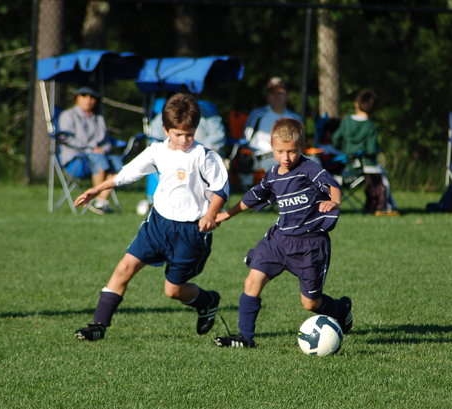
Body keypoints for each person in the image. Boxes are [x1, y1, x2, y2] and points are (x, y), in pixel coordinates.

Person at [72, 93, 229, 341]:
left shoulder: (205, 156)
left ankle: (207, 301)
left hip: (190, 231)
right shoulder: (157, 151)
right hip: (157, 224)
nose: (184, 140)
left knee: (173, 290)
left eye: (189, 134)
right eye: (178, 134)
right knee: (124, 267)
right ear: (166, 129)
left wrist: (210, 214)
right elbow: (128, 173)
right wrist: (96, 189)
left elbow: (220, 190)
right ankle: (98, 325)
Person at [213, 118, 352, 348]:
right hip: (279, 241)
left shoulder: (309, 169)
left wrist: (334, 202)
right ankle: (245, 338)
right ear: (272, 146)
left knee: (310, 303)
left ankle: (340, 309)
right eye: (280, 151)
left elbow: (332, 186)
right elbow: (252, 198)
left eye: (292, 151)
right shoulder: (272, 175)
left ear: (301, 147)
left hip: (310, 244)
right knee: (252, 281)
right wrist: (226, 214)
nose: (286, 157)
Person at [331, 89, 398, 215]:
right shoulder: (370, 126)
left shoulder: (346, 121)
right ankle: (384, 206)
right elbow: (371, 149)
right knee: (382, 178)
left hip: (347, 165)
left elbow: (336, 139)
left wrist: (343, 150)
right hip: (366, 165)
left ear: (356, 104)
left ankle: (374, 205)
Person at [57, 86, 123, 214]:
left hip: (99, 155)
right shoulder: (67, 115)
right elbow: (66, 139)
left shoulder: (99, 118)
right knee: (99, 159)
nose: (88, 99)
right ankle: (97, 199)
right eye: (84, 96)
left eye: (92, 97)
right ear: (76, 98)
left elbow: (106, 141)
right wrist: (91, 148)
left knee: (117, 162)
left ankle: (100, 201)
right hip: (76, 158)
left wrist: (103, 149)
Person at [241, 76, 302, 189]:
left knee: (313, 162)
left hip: (291, 157)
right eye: (272, 93)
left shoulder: (295, 118)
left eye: (280, 93)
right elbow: (245, 141)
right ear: (267, 96)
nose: (276, 96)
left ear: (286, 95)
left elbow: (301, 143)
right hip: (263, 158)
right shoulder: (258, 115)